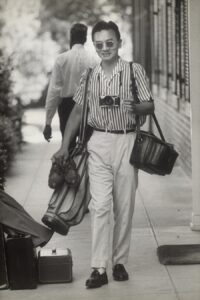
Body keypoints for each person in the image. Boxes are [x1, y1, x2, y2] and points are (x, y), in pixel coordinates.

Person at [53, 20, 154, 289]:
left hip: (127, 141)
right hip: (97, 141)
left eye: (109, 43)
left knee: (125, 205)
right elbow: (76, 112)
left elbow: (149, 104)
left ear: (119, 42)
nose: (104, 48)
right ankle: (99, 267)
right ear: (94, 46)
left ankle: (119, 261)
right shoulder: (90, 75)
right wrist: (65, 145)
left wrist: (137, 107)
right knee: (99, 206)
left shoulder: (134, 71)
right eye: (99, 45)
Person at [43, 23, 97, 143]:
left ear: (71, 38)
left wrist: (48, 123)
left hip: (67, 107)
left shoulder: (61, 59)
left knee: (68, 147)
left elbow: (54, 92)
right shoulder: (94, 59)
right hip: (88, 108)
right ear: (85, 39)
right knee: (88, 149)